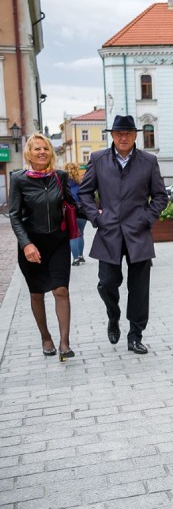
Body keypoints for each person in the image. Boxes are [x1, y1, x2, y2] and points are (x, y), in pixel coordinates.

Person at [78, 115, 169, 355]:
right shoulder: (98, 160)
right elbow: (85, 193)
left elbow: (160, 196)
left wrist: (147, 218)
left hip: (138, 232)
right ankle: (113, 314)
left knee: (139, 287)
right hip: (108, 232)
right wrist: (96, 217)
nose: (123, 137)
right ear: (112, 136)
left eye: (128, 133)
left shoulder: (148, 161)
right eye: (119, 133)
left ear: (135, 136)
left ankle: (135, 335)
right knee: (107, 282)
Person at [9, 133, 77, 361]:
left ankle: (65, 343)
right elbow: (14, 216)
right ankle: (45, 336)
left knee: (61, 290)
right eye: (37, 148)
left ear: (50, 152)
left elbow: (71, 204)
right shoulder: (19, 179)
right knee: (37, 293)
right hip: (32, 244)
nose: (41, 152)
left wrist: (98, 214)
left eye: (45, 148)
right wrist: (26, 243)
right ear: (29, 152)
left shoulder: (60, 176)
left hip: (57, 242)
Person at [64, 162, 87, 266]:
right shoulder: (81, 184)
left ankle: (75, 258)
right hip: (82, 212)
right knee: (81, 233)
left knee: (73, 235)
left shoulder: (63, 185)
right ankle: (81, 256)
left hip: (70, 213)